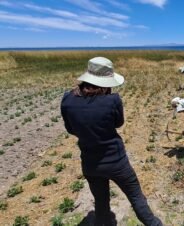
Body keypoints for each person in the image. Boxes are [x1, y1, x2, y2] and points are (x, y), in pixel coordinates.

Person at [61, 57, 163, 226]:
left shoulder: (67, 99)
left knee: (101, 204)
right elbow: (118, 123)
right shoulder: (112, 100)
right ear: (106, 80)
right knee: (136, 197)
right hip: (117, 162)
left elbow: (71, 129)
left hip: (90, 164)